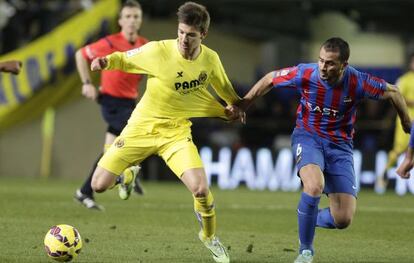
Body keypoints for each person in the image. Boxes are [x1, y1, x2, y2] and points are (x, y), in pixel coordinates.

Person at [89, 2, 244, 262]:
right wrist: (104, 61)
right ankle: (128, 174)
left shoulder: (211, 59)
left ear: (203, 35)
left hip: (176, 133)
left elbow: (225, 89)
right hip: (141, 128)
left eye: (191, 34)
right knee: (98, 185)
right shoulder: (157, 51)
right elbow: (125, 59)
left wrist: (236, 106)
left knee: (201, 190)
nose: (184, 39)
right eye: (181, 32)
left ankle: (209, 237)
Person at [237, 37, 411, 263]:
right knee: (314, 185)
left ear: (343, 65)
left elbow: (394, 92)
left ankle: (307, 216)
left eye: (329, 63)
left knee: (343, 218)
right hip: (307, 137)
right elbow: (271, 78)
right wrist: (245, 103)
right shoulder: (306, 73)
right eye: (320, 60)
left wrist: (406, 122)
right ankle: (306, 251)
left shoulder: (358, 82)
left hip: (340, 146)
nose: (323, 67)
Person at [74, 0, 147, 211]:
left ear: (140, 20)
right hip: (111, 101)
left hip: (129, 101)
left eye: (136, 17)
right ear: (120, 21)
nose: (132, 21)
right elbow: (81, 55)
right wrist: (87, 83)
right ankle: (124, 175)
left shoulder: (145, 45)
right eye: (128, 17)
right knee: (134, 135)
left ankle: (84, 192)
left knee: (111, 149)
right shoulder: (110, 42)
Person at [375, 53, 414, 194]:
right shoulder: (404, 80)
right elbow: (396, 97)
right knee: (400, 149)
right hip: (407, 119)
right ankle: (384, 173)